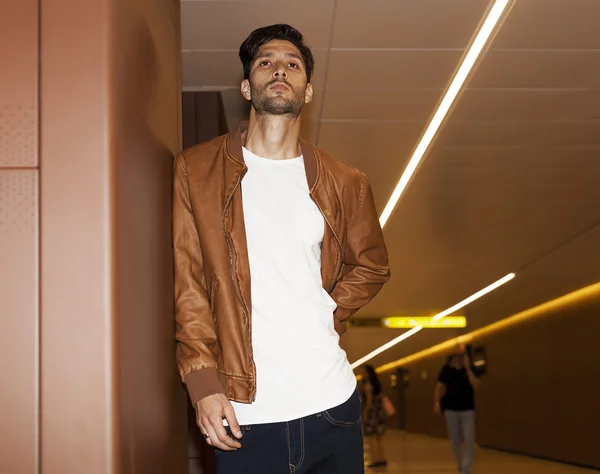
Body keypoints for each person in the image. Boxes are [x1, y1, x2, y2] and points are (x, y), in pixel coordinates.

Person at [172, 24, 390, 474]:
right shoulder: (196, 170)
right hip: (245, 414)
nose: (279, 70)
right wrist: (201, 382)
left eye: (293, 65)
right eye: (265, 62)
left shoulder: (346, 181)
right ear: (246, 86)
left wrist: (325, 310)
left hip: (332, 403)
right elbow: (188, 283)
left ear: (307, 91)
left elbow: (371, 266)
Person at [434, 344, 481, 474]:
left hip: (468, 410)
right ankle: (461, 464)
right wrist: (437, 402)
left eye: (461, 355)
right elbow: (439, 387)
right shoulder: (446, 369)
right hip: (451, 410)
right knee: (455, 441)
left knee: (469, 439)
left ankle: (465, 469)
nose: (458, 357)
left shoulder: (472, 368)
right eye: (456, 354)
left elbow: (476, 385)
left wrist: (467, 368)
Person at [360, 365, 388, 468]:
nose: (362, 374)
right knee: (378, 438)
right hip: (379, 413)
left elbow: (369, 400)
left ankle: (375, 459)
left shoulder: (367, 386)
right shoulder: (377, 385)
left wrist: (365, 413)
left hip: (372, 414)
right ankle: (382, 458)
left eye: (363, 372)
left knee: (371, 437)